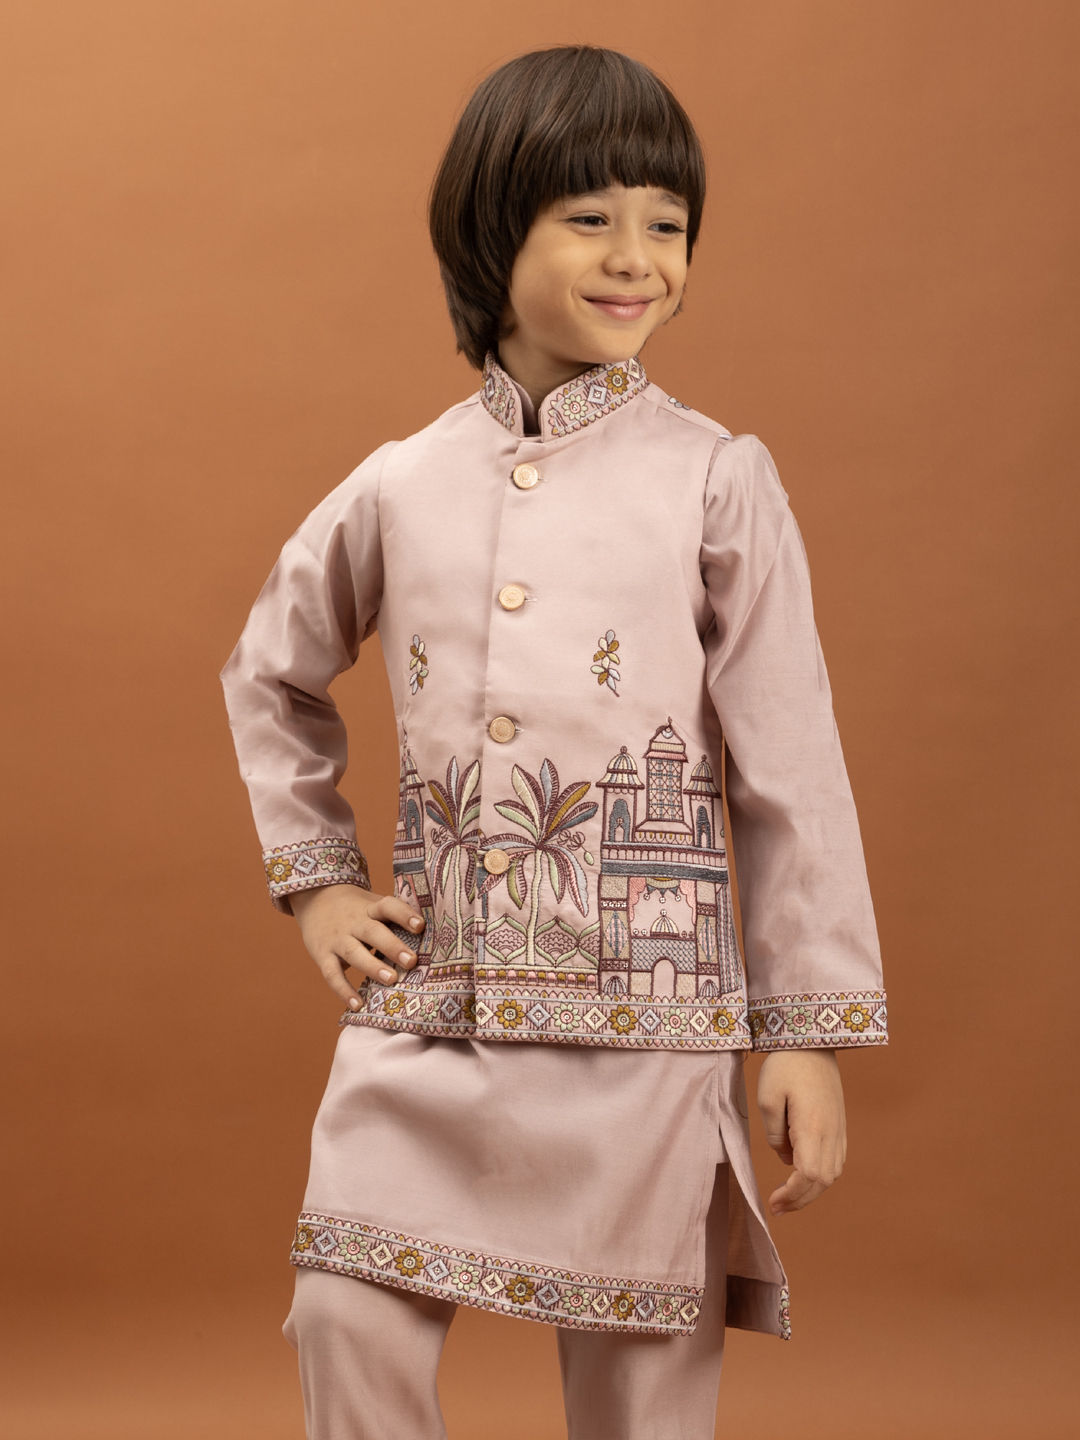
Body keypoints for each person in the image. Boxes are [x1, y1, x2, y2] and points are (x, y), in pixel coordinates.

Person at [220, 43, 888, 1440]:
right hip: (432, 1020)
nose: (636, 257)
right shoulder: (400, 483)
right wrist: (318, 882)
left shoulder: (717, 481)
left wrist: (804, 1033)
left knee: (638, 1385)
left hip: (648, 1042)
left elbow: (793, 770)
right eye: (590, 217)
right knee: (344, 1310)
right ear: (492, 228)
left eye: (668, 224)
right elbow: (269, 670)